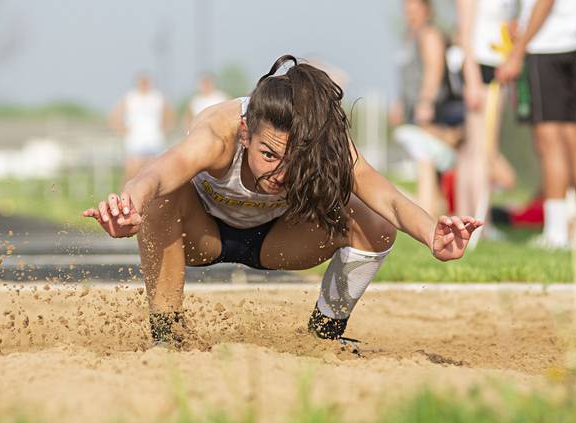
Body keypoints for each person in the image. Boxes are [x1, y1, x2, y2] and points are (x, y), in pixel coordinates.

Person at [83, 55, 482, 349]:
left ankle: (326, 336)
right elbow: (157, 172)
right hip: (202, 236)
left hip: (280, 240)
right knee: (159, 199)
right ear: (245, 134)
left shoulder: (324, 142)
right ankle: (167, 338)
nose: (279, 173)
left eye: (294, 160)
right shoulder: (218, 133)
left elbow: (388, 198)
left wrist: (433, 234)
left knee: (375, 225)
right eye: (269, 155)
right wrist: (128, 203)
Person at [497, 0, 576, 250]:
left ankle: (556, 232)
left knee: (550, 143)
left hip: (545, 49)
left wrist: (519, 50)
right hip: (571, 44)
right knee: (573, 138)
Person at [391, 0, 464, 218]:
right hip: (415, 109)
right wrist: (401, 102)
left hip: (436, 111)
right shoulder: (409, 36)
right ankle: (431, 211)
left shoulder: (429, 34)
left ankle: (424, 212)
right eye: (407, 8)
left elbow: (434, 69)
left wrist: (426, 102)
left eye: (415, 8)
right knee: (430, 169)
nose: (410, 13)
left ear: (427, 10)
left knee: (426, 158)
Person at [456, 0, 517, 241]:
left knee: (482, 148)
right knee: (480, 149)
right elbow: (465, 33)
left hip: (499, 66)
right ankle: (479, 221)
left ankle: (472, 220)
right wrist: (471, 78)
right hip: (480, 69)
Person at [109, 73, 174, 183]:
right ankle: (124, 197)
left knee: (153, 171)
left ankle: (153, 199)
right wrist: (121, 129)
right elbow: (114, 114)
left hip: (154, 139)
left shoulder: (157, 97)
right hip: (135, 139)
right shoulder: (131, 97)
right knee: (131, 171)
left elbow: (170, 114)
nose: (144, 85)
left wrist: (165, 129)